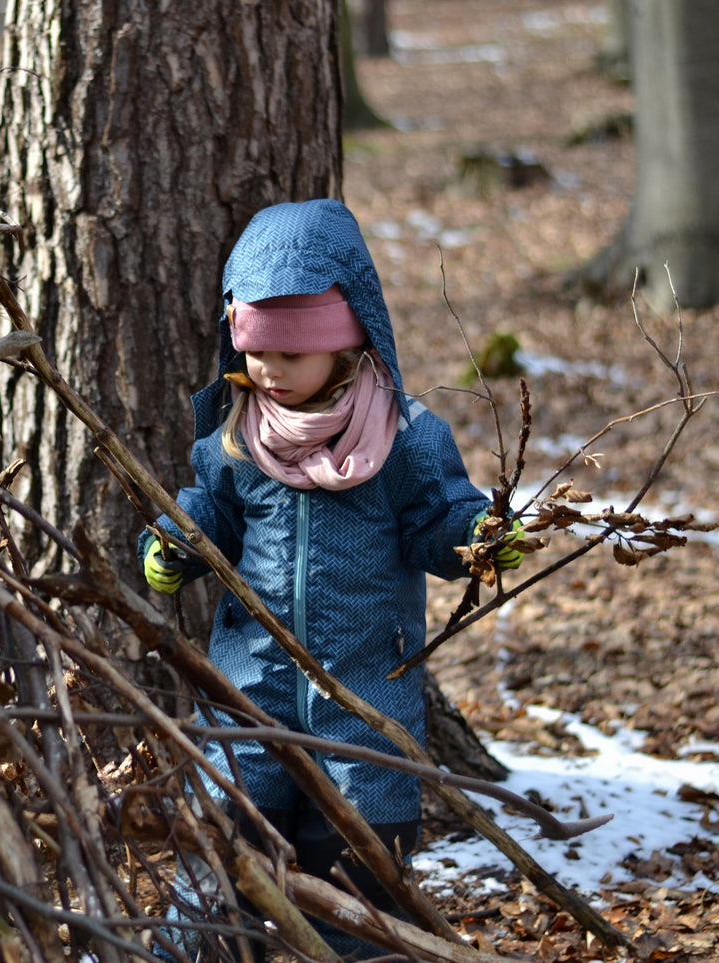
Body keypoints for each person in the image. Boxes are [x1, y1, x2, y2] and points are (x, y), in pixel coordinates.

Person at [138, 199, 521, 960]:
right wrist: (172, 545)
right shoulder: (235, 438)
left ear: (345, 344)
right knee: (221, 856)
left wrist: (475, 539)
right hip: (249, 697)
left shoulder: (406, 440)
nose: (269, 373)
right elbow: (205, 512)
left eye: (291, 355)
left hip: (362, 706)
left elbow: (436, 521)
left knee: (358, 886)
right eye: (256, 353)